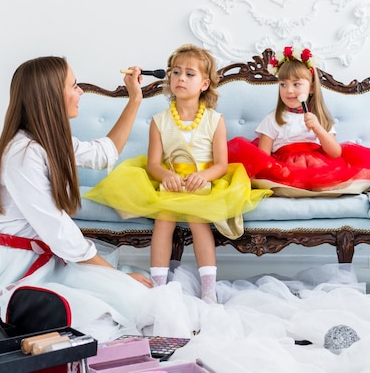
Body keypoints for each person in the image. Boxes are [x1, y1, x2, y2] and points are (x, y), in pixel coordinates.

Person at [0, 56, 153, 339]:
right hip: (10, 266)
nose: (81, 91)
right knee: (114, 309)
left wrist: (134, 100)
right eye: (73, 85)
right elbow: (59, 232)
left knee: (134, 301)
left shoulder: (47, 142)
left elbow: (103, 153)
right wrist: (115, 277)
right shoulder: (22, 155)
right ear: (50, 96)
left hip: (39, 258)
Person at [83, 44, 271, 303]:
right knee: (164, 217)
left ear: (204, 84)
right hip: (171, 183)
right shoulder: (160, 121)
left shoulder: (215, 120)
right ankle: (158, 286)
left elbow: (221, 165)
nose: (181, 78)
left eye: (190, 74)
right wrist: (165, 176)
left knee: (197, 218)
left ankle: (208, 289)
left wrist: (203, 177)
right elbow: (153, 164)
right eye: (176, 72)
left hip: (202, 183)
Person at [228, 46, 370, 196]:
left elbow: (335, 153)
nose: (289, 90)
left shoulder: (319, 118)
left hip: (319, 166)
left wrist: (318, 128)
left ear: (310, 88)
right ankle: (296, 188)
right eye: (283, 84)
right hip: (285, 168)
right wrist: (276, 171)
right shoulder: (273, 118)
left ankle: (351, 186)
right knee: (276, 182)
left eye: (296, 84)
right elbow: (262, 157)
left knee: (340, 179)